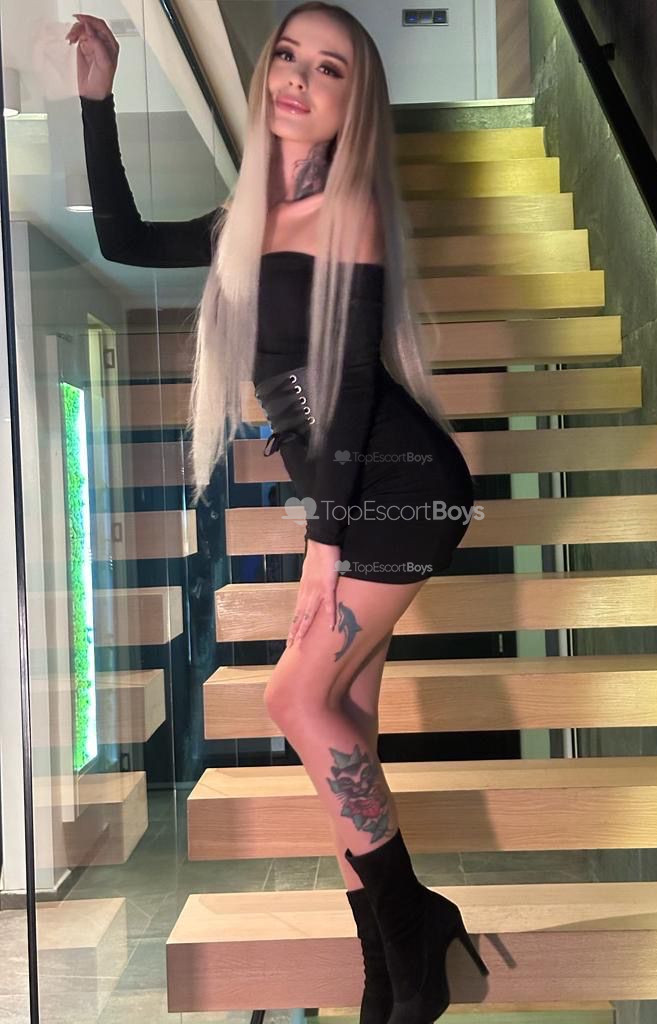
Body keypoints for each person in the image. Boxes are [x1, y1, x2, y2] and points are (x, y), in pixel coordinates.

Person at [68, 4, 488, 1021]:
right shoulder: (245, 221)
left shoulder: (350, 211)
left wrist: (320, 546)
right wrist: (96, 99)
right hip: (362, 490)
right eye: (288, 56)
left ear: (355, 102)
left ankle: (417, 920)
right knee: (345, 726)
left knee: (294, 699)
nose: (297, 76)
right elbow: (123, 236)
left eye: (328, 68)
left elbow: (350, 387)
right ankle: (388, 970)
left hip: (397, 488)